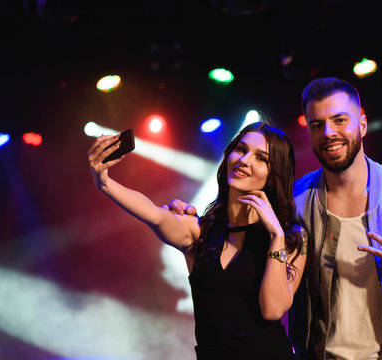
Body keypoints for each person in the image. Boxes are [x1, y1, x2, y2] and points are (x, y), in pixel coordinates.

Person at [171, 78, 382, 360]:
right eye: (317, 124)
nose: (329, 132)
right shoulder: (290, 202)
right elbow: (236, 238)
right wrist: (197, 220)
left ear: (362, 124)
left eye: (339, 120)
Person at [87, 121, 307, 360]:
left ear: (274, 176)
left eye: (261, 158)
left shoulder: (292, 238)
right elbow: (154, 214)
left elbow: (272, 309)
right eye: (241, 150)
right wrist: (105, 182)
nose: (245, 160)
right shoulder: (200, 231)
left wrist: (276, 237)